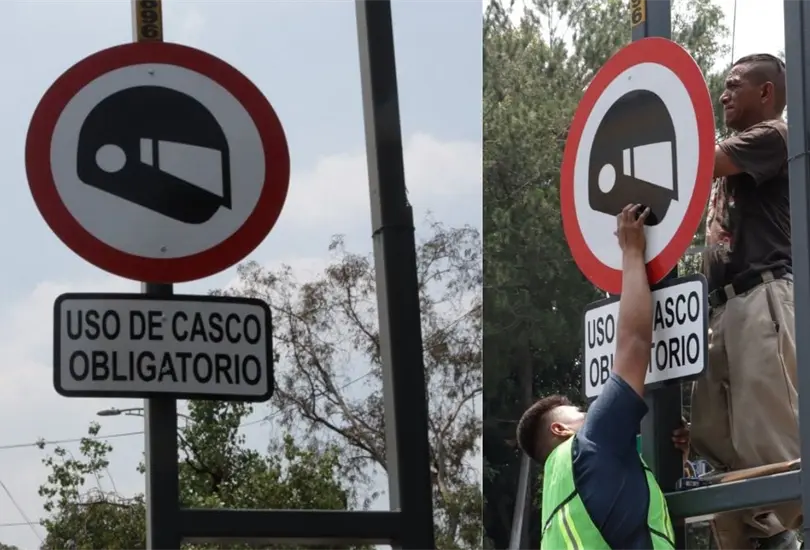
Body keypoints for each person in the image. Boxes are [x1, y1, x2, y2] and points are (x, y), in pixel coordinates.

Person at [517, 204, 687, 549]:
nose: (590, 413)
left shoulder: (558, 506)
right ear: (561, 430)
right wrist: (632, 252)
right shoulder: (589, 445)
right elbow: (635, 345)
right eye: (581, 413)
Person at [691, 53, 801, 550]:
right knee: (715, 451)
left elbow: (699, 161)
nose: (723, 94)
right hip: (718, 310)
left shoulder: (775, 135)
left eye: (734, 85)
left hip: (761, 296)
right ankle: (759, 539)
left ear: (767, 92)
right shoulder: (733, 154)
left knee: (772, 446)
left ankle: (793, 532)